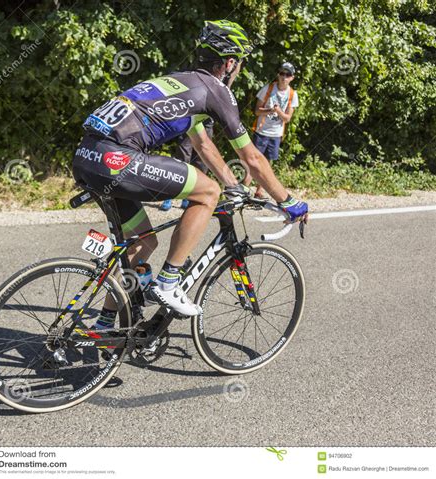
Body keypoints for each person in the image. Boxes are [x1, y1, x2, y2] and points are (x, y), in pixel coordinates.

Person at [72, 20, 308, 322]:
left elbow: (203, 145)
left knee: (143, 241)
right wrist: (288, 202)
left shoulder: (181, 82)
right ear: (229, 62)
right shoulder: (214, 89)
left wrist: (235, 184)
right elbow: (252, 157)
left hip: (87, 156)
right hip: (117, 158)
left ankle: (104, 327)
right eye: (238, 64)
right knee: (208, 192)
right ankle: (169, 282)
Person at [247, 62, 299, 199]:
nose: (284, 77)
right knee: (252, 162)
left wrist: (278, 111)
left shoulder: (293, 94)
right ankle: (243, 190)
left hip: (276, 135)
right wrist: (269, 110)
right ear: (278, 74)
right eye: (282, 73)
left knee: (267, 164)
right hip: (261, 131)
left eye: (288, 75)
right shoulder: (268, 89)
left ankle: (259, 191)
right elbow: (257, 111)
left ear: (292, 77)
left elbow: (287, 118)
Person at [161, 118, 213, 211]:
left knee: (201, 161)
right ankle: (169, 194)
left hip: (207, 120)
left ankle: (190, 197)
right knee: (182, 158)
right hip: (191, 117)